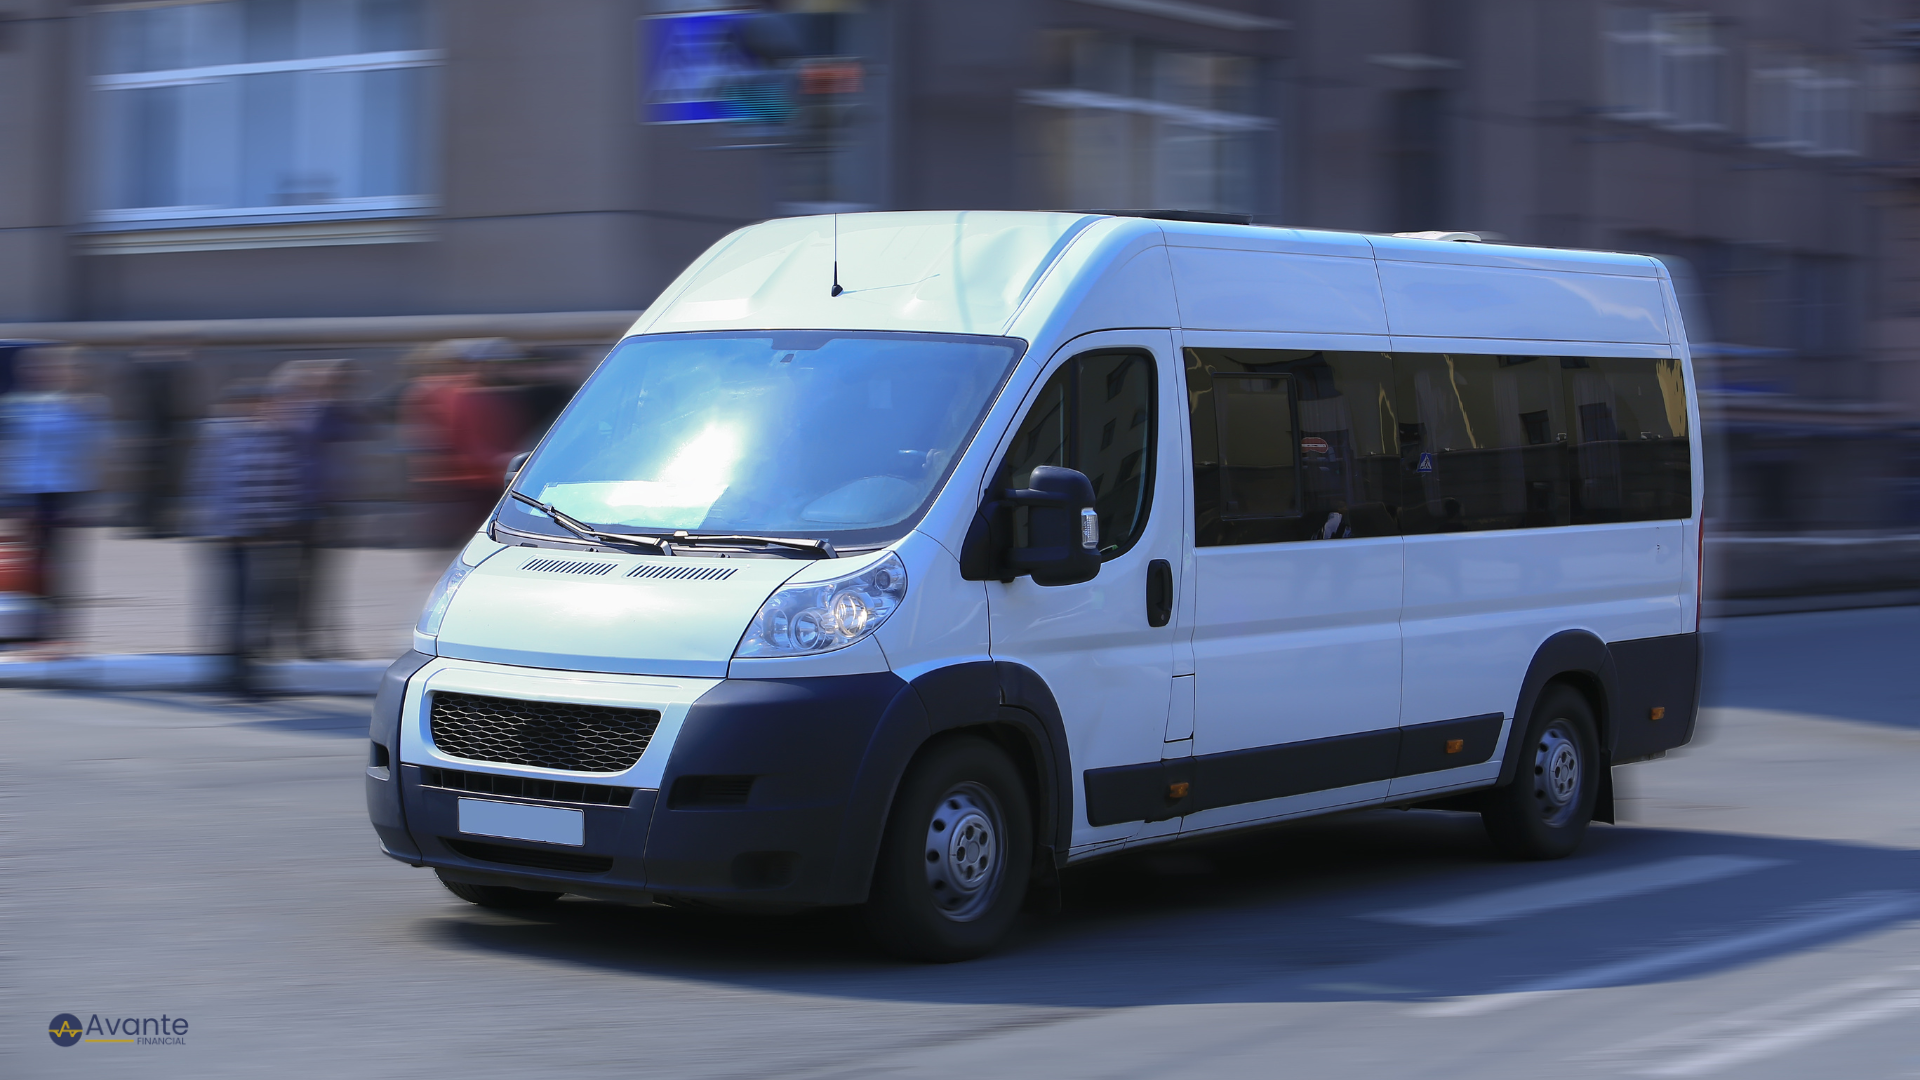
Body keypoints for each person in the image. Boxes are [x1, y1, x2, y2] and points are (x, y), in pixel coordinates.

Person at [188, 379, 299, 697]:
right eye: (251, 402)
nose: (258, 408)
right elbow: (207, 483)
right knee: (231, 605)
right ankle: (229, 670)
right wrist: (212, 526)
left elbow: (281, 484)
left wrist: (278, 524)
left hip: (262, 537)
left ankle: (252, 669)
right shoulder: (220, 437)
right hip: (230, 535)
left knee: (258, 607)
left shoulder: (275, 437)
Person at [0, 346, 109, 645]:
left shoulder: (80, 405)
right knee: (31, 567)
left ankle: (59, 634)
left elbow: (94, 450)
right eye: (31, 369)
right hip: (26, 495)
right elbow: (10, 452)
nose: (37, 374)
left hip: (61, 494)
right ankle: (33, 631)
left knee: (58, 565)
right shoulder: (16, 404)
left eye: (45, 369)